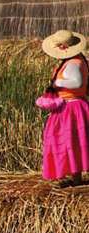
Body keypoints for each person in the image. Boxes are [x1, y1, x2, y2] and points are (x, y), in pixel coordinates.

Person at [40, 30, 89, 185]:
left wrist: (57, 83)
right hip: (73, 106)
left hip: (71, 108)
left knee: (68, 140)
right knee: (73, 141)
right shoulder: (77, 60)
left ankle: (76, 177)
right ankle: (76, 177)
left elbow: (77, 82)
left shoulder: (74, 63)